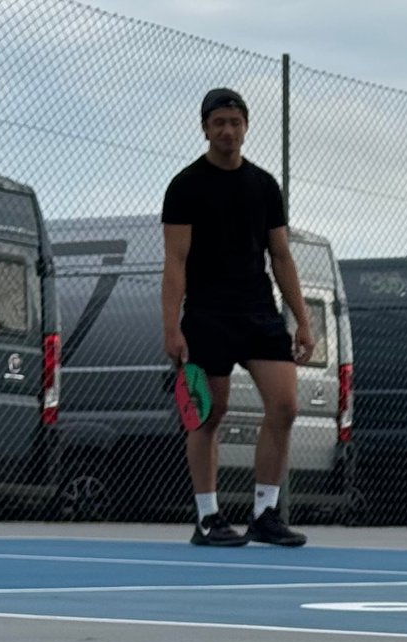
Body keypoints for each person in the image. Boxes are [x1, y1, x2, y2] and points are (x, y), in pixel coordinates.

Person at [161, 87, 315, 547]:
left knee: (285, 406)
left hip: (259, 313)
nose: (227, 130)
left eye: (235, 122)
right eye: (218, 123)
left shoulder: (264, 185)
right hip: (208, 315)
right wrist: (171, 327)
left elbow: (282, 256)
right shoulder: (185, 186)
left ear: (246, 126)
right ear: (205, 128)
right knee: (209, 416)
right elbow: (175, 263)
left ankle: (265, 514)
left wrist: (303, 321)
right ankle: (208, 519)